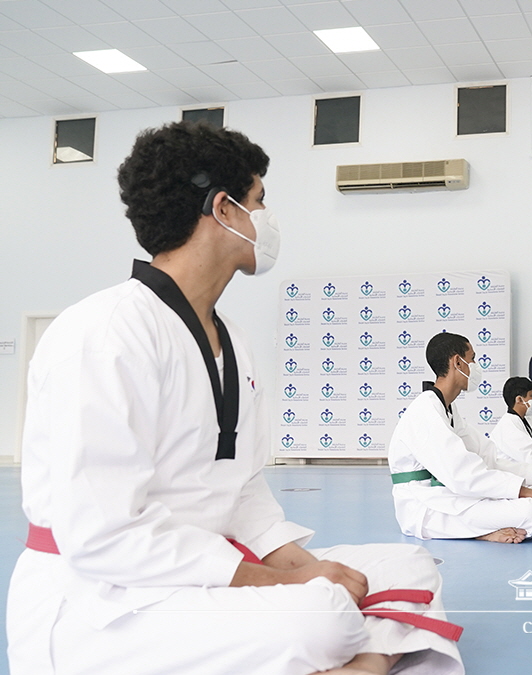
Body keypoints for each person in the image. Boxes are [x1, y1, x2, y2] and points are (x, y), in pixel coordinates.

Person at [6, 122, 463, 675]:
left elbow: (243, 495)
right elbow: (104, 536)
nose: (266, 218)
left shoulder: (234, 344)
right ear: (223, 210)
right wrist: (290, 583)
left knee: (406, 564)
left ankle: (359, 665)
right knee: (322, 614)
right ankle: (369, 655)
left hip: (204, 577)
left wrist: (311, 568)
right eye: (259, 201)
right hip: (100, 600)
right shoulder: (104, 333)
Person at [387, 333, 532, 543]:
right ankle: (484, 532)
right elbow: (463, 475)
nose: (475, 366)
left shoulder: (448, 409)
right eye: (472, 359)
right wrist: (529, 493)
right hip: (424, 506)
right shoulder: (426, 410)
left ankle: (492, 526)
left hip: (450, 494)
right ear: (458, 362)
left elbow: (488, 458)